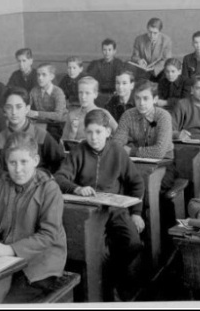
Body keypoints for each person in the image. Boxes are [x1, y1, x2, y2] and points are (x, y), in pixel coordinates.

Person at [55, 109, 145, 301]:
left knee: (133, 243)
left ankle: (111, 279)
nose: (93, 137)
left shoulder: (117, 152)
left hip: (114, 210)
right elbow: (59, 178)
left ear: (107, 131)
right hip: (86, 213)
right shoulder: (79, 150)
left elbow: (136, 183)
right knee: (90, 251)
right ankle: (101, 290)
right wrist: (76, 188)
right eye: (89, 132)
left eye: (98, 132)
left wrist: (136, 213)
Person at [0, 132, 67, 303]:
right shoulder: (1, 184)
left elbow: (48, 235)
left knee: (6, 302)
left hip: (40, 264)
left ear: (36, 161)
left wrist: (11, 249)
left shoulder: (49, 189)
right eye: (12, 163)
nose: (18, 169)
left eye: (24, 162)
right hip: (5, 260)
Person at [0, 87, 64, 182]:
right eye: (9, 107)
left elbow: (61, 162)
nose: (14, 112)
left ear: (27, 108)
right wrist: (15, 177)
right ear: (4, 110)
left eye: (19, 107)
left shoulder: (41, 135)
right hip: (9, 187)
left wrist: (42, 176)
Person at [113, 80, 174, 159]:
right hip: (136, 160)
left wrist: (131, 151)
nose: (141, 103)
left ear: (155, 99)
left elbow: (159, 151)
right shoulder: (128, 115)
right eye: (137, 98)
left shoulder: (163, 116)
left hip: (162, 162)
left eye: (146, 98)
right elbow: (115, 145)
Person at [60, 76, 117, 141]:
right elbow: (62, 143)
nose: (83, 97)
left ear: (95, 94)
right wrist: (72, 133)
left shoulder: (103, 113)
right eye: (80, 92)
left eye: (87, 93)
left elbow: (120, 135)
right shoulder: (72, 115)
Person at [28, 63, 68, 141]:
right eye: (38, 75)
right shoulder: (34, 90)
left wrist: (37, 113)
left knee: (48, 139)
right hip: (42, 123)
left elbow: (58, 115)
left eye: (44, 75)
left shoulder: (58, 92)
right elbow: (28, 106)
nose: (40, 78)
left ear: (51, 76)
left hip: (58, 125)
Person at [87, 38, 125, 105]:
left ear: (114, 51)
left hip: (114, 92)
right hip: (100, 92)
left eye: (109, 50)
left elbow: (119, 79)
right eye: (105, 50)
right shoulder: (97, 63)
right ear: (102, 51)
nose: (107, 52)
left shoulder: (118, 63)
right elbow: (89, 77)